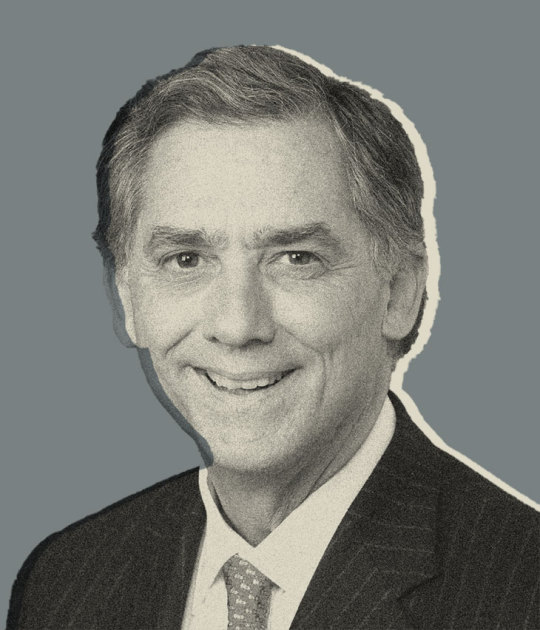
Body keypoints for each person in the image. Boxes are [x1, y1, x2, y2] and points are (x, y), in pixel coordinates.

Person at [7, 45, 539, 630]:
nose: (238, 327)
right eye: (186, 259)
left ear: (399, 293)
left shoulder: (522, 591)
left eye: (296, 258)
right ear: (129, 298)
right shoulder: (68, 582)